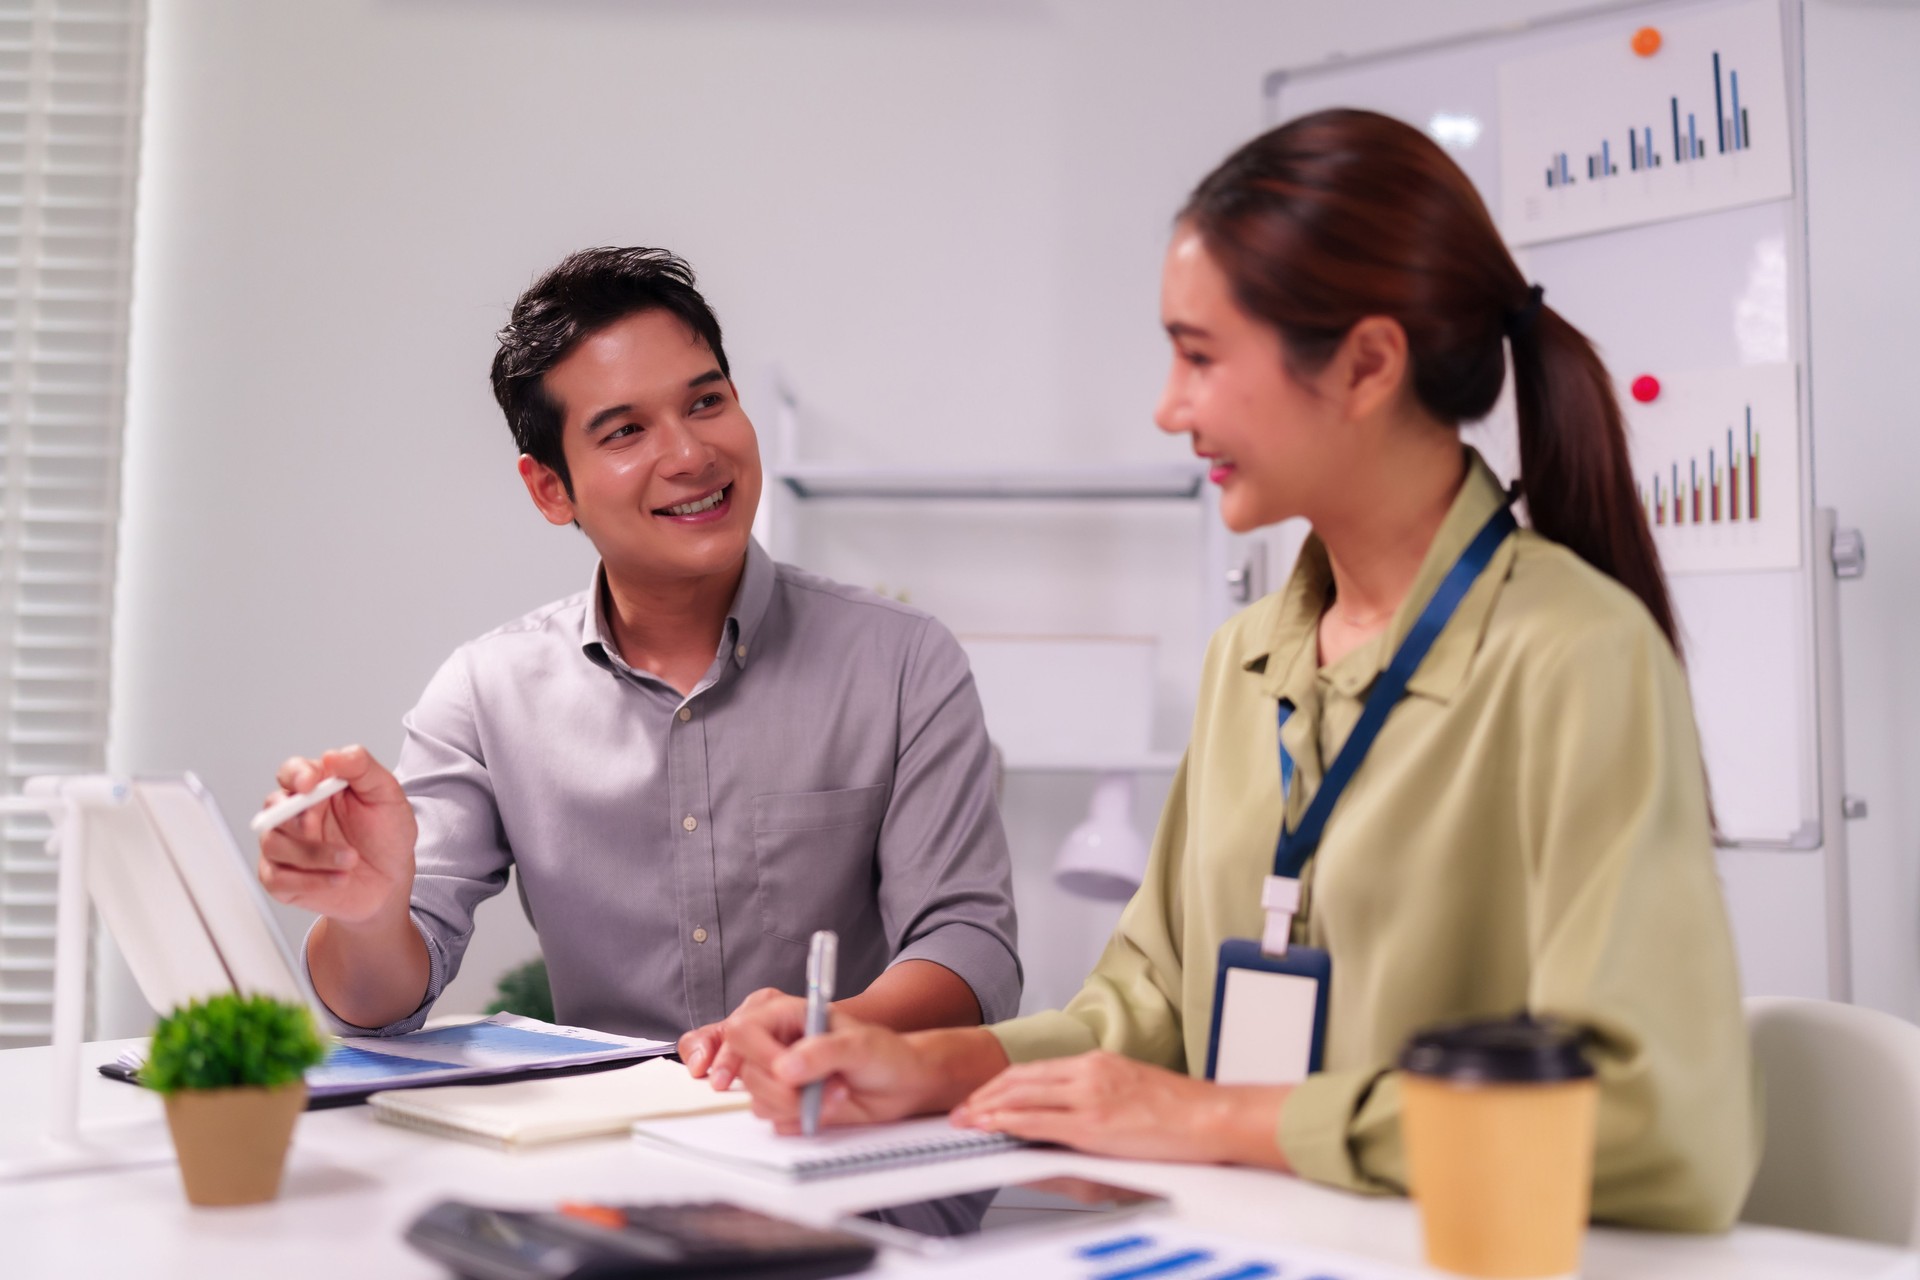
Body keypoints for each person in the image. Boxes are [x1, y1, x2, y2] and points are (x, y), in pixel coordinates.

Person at [718, 110, 1760, 1231]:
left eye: (1201, 355)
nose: (1171, 406)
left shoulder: (1575, 655)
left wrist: (1221, 1118)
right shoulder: (1248, 656)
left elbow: (1653, 1115)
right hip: (1244, 1242)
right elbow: (1153, 1001)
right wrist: (938, 1064)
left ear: (1366, 363)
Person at [255, 247, 1021, 1053]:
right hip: (612, 1160)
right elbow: (375, 1004)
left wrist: (826, 1031)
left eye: (706, 403)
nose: (690, 455)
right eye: (625, 431)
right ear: (551, 488)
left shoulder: (903, 662)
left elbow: (969, 948)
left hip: (835, 1142)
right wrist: (369, 911)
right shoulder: (487, 694)